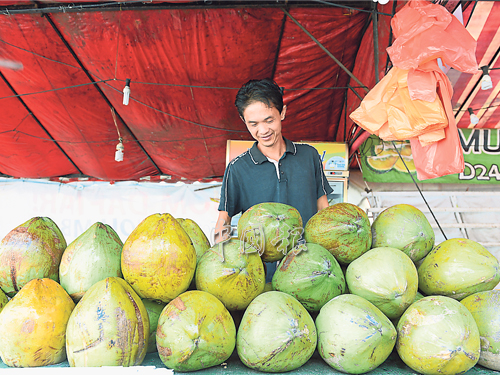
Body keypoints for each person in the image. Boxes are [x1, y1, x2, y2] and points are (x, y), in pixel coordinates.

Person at [215, 78, 333, 280]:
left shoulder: (309, 157)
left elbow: (325, 212)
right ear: (244, 121)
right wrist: (218, 262)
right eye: (253, 124)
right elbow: (223, 222)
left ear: (283, 112)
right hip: (259, 276)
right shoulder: (237, 169)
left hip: (310, 271)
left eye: (269, 120)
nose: (263, 131)